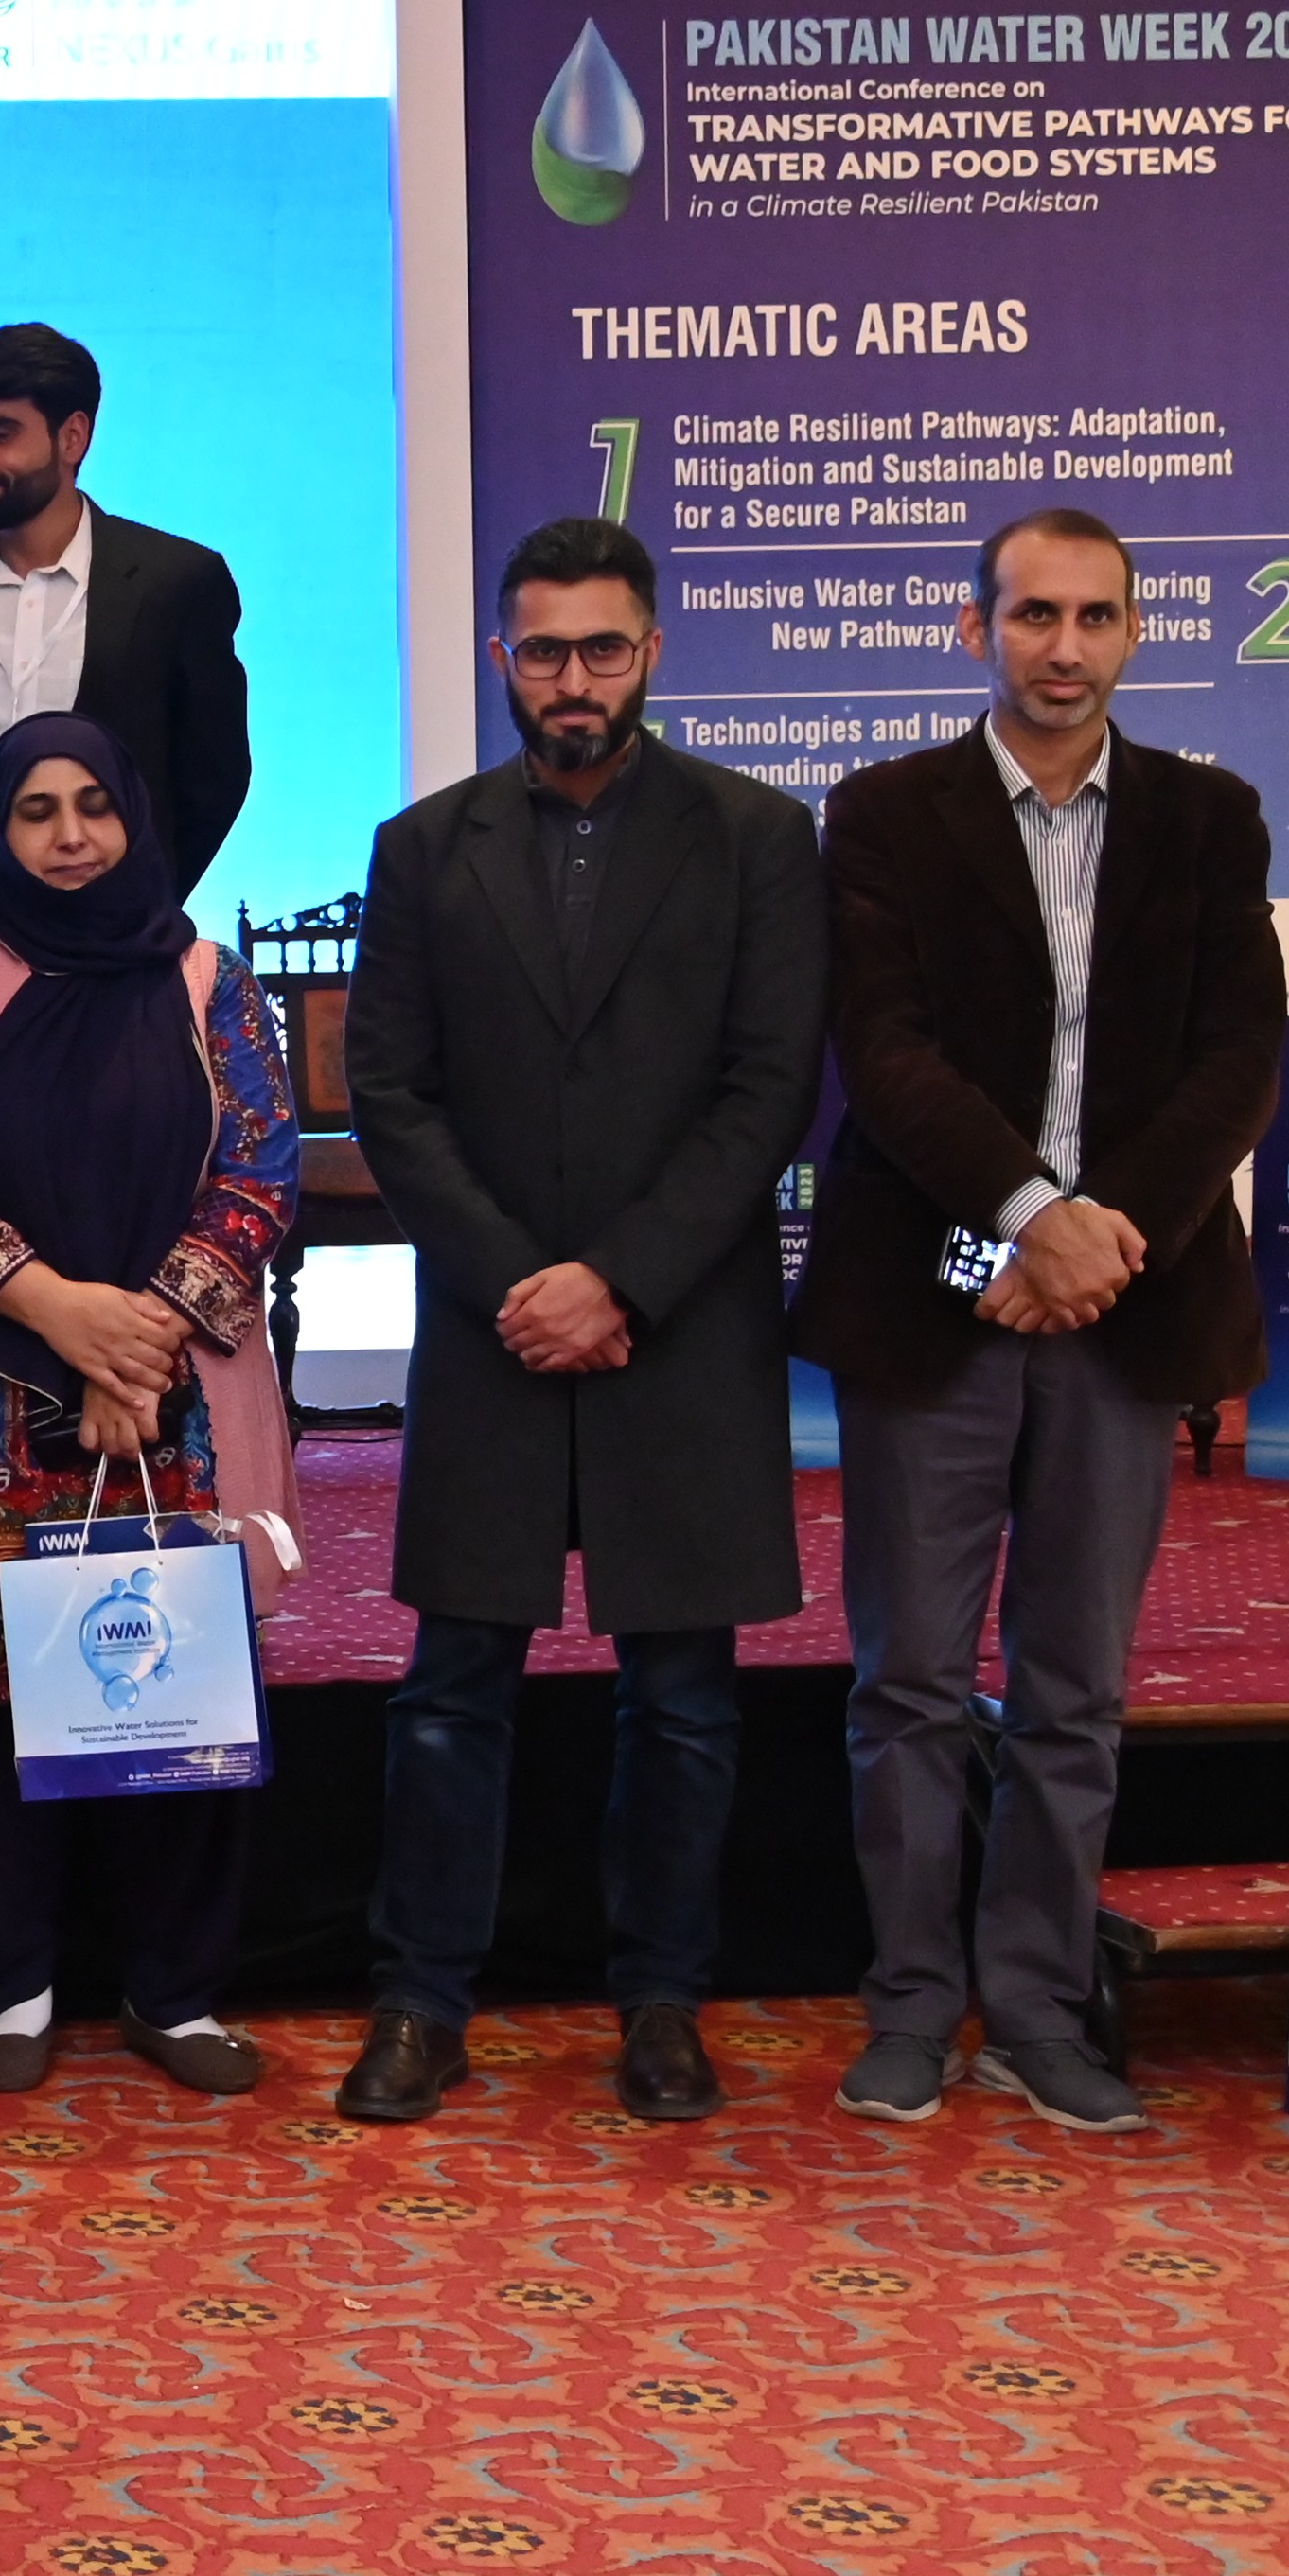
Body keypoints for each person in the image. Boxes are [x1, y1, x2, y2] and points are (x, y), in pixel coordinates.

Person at [797, 510, 1283, 2135]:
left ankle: (1039, 2004)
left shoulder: (1209, 820)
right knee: (908, 1682)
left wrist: (1097, 1236)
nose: (1059, 645)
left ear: (1132, 631)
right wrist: (1026, 1215)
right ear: (972, 627)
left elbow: (1235, 1060)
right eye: (1029, 614)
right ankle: (909, 2004)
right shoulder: (880, 815)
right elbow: (884, 1051)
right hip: (933, 1293)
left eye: (1092, 616)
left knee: (1074, 1686)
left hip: (1120, 1305)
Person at [338, 517, 826, 2128]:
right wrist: (514, 1283)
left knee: (681, 1691)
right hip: (488, 1320)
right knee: (445, 1683)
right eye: (539, 649)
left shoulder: (755, 837)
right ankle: (420, 2003)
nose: (569, 679)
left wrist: (614, 1277)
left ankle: (662, 1999)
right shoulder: (421, 847)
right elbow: (392, 1095)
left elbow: (769, 1086)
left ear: (651, 652)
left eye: (598, 648)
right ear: (498, 655)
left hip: (674, 1321)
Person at [0, 715, 300, 2099]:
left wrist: (142, 1341)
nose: (66, 838)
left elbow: (262, 1174)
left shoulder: (208, 982)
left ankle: (174, 1993)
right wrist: (64, 1315)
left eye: (93, 809)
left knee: (178, 1682)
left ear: (133, 820)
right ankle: (5, 1987)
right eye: (36, 811)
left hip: (179, 1395)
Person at [0, 324, 252, 953]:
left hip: (123, 954)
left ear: (72, 436)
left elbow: (214, 778)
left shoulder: (175, 581)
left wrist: (133, 894)